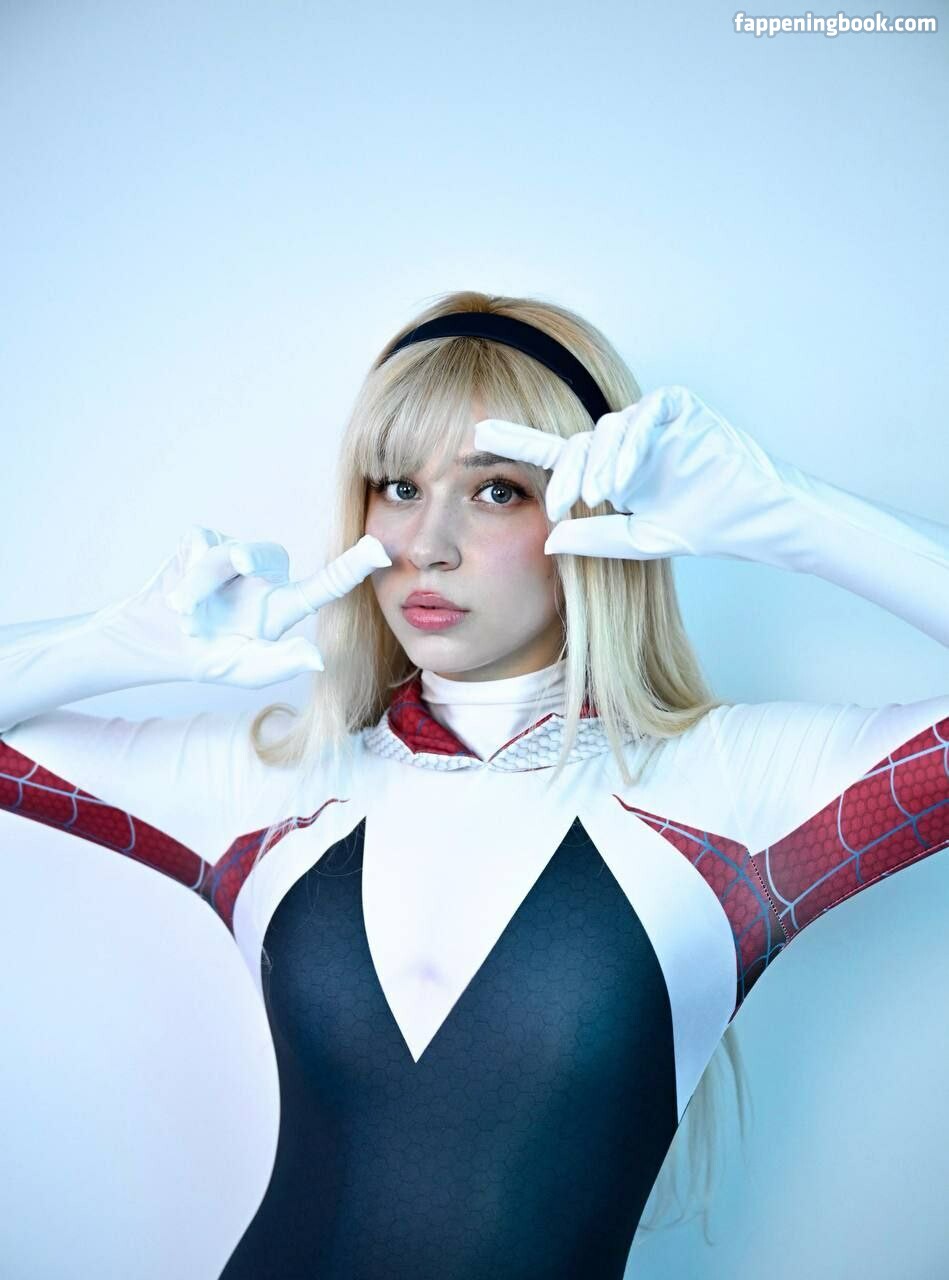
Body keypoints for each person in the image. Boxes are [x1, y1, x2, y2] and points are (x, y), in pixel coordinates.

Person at [1, 290, 947, 1280]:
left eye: (496, 490)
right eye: (397, 485)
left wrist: (787, 515)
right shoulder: (268, 785)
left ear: (590, 506)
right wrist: (121, 641)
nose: (427, 543)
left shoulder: (727, 792)